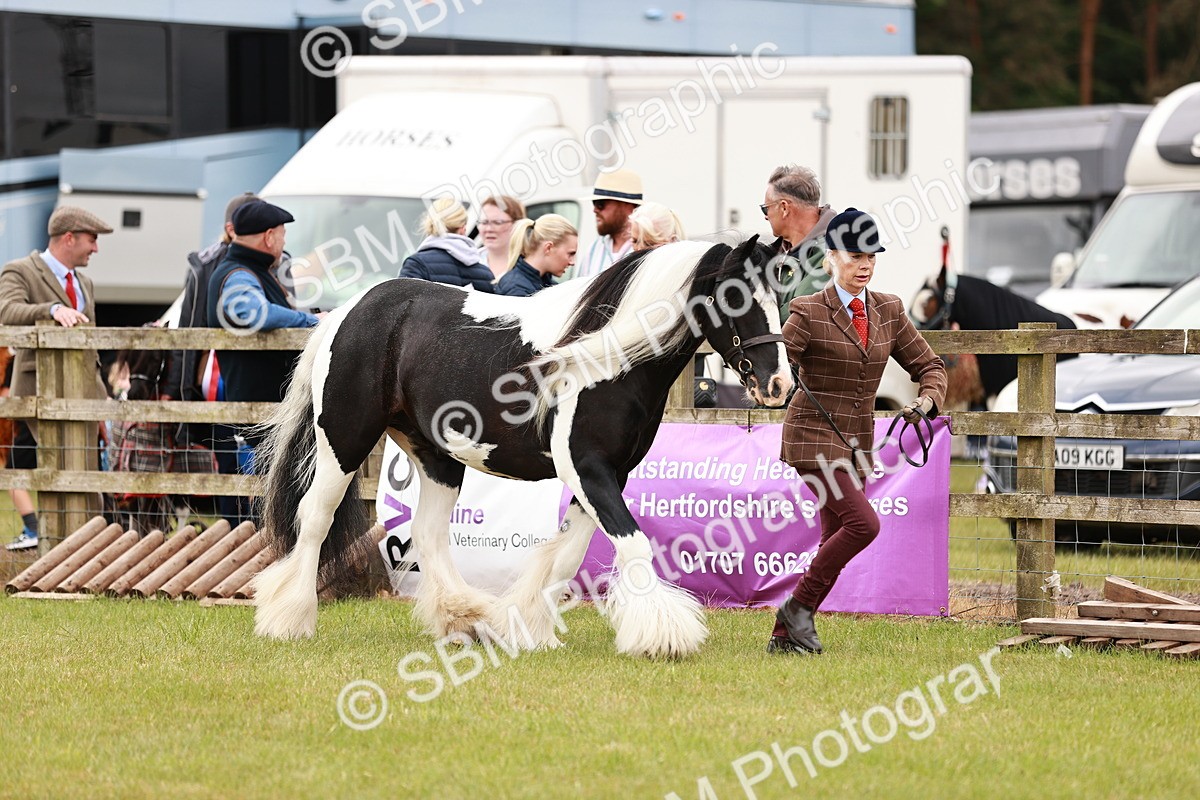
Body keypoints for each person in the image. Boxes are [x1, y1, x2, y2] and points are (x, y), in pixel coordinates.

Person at [772, 208, 947, 656]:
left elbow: (930, 365)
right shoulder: (808, 310)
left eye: (871, 256)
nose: (865, 265)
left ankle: (785, 635)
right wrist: (777, 379)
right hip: (812, 438)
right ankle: (797, 608)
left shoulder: (888, 309)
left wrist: (927, 401)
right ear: (831, 257)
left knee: (834, 537)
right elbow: (780, 362)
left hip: (856, 446)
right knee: (864, 524)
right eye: (855, 256)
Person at [0, 206, 112, 550]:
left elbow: (90, 348)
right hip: (38, 390)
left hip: (85, 394)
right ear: (69, 238)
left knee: (86, 470)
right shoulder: (20, 270)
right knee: (56, 466)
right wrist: (51, 310)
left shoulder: (85, 282)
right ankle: (58, 546)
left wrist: (102, 398)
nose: (96, 248)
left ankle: (87, 546)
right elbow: (6, 310)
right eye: (92, 240)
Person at [165, 191, 259, 523]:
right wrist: (177, 387)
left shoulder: (276, 258)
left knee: (261, 453)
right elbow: (189, 325)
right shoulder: (205, 265)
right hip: (217, 371)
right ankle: (233, 529)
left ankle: (260, 528)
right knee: (226, 453)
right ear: (232, 228)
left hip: (258, 370)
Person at [207, 199, 321, 463]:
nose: (283, 242)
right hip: (265, 415)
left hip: (272, 411)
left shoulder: (251, 270)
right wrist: (311, 321)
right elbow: (256, 312)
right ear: (269, 237)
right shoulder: (238, 273)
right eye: (282, 235)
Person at [762, 164, 839, 323]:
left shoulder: (831, 253)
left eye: (766, 209)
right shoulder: (778, 252)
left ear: (784, 208)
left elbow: (796, 313)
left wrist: (753, 320)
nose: (766, 216)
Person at [398, 197, 495, 292]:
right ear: (463, 228)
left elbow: (400, 301)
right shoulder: (485, 274)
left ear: (430, 224)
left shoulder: (416, 265)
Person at [573, 168, 643, 279]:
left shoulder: (647, 248)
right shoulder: (593, 250)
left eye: (600, 203)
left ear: (627, 205)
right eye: (594, 203)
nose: (595, 210)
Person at [495, 215, 578, 297]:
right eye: (570, 254)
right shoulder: (516, 289)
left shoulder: (547, 284)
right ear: (548, 248)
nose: (572, 262)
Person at [477, 195, 526, 280]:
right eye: (484, 222)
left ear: (516, 225)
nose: (489, 229)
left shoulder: (529, 265)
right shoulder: (469, 261)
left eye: (498, 222)